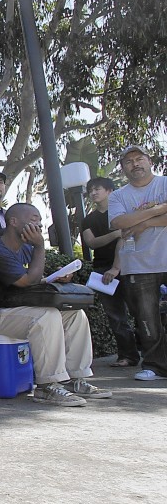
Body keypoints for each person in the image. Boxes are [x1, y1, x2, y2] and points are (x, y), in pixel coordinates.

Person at [0, 203, 111, 406]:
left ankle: (74, 379)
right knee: (46, 316)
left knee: (75, 315)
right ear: (14, 221)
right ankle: (47, 386)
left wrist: (54, 278)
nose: (39, 223)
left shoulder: (25, 248)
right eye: (34, 218)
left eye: (39, 219)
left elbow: (33, 279)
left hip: (16, 311)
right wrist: (40, 246)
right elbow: (27, 281)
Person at [108, 145, 167, 381]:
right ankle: (154, 366)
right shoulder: (119, 195)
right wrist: (159, 210)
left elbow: (131, 222)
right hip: (139, 265)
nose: (135, 164)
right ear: (123, 168)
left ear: (149, 161)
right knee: (147, 318)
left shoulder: (163, 183)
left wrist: (144, 224)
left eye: (139, 158)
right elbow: (118, 222)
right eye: (129, 161)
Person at [81, 177, 139, 367]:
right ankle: (128, 355)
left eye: (98, 189)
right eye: (91, 190)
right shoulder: (89, 219)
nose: (93, 193)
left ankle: (154, 357)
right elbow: (91, 242)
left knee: (142, 312)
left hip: (130, 267)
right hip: (101, 270)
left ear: (109, 190)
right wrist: (114, 234)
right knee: (115, 316)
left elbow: (127, 240)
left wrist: (117, 267)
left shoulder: (123, 213)